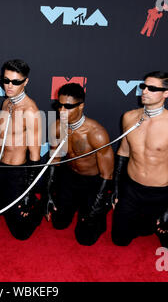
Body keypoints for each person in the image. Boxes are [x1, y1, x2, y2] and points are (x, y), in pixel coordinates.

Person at [111, 71, 168, 253]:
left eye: (152, 88)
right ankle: (143, 221)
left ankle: (150, 220)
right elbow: (122, 153)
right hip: (131, 190)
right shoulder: (129, 117)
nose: (144, 91)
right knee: (119, 240)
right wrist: (116, 187)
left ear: (167, 93)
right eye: (143, 86)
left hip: (160, 194)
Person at [46, 83, 114, 245]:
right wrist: (49, 192)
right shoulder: (56, 127)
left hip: (93, 183)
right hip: (69, 177)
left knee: (85, 239)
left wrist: (98, 203)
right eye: (59, 105)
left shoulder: (96, 134)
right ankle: (73, 204)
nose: (61, 111)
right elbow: (55, 161)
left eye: (68, 106)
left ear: (81, 106)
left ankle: (104, 206)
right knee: (58, 223)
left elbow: (107, 174)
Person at [0, 59, 44, 240]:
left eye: (16, 82)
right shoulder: (6, 103)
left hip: (16, 174)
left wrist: (29, 192)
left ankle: (40, 206)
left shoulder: (30, 111)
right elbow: (2, 139)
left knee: (21, 233)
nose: (9, 86)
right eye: (6, 80)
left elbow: (35, 155)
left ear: (25, 81)